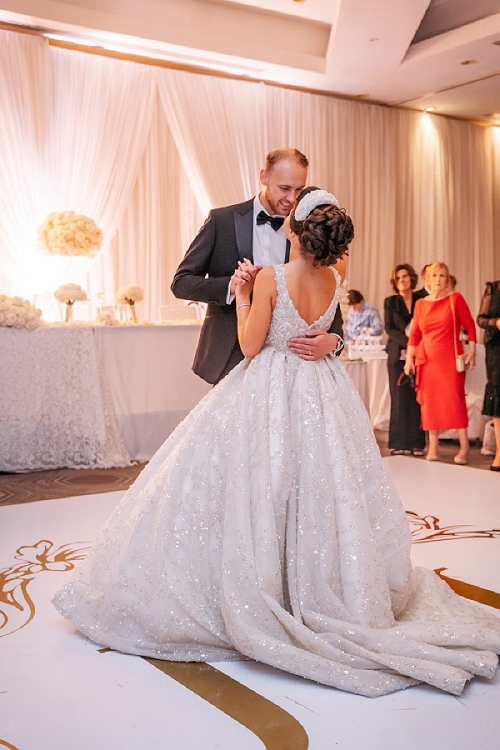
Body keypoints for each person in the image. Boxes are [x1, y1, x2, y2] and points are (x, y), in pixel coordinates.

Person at [53, 191, 500, 699]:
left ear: (294, 229)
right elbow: (331, 325)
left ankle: (267, 587)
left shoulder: (271, 278)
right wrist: (330, 340)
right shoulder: (337, 274)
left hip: (268, 384)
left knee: (257, 483)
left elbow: (249, 345)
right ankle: (314, 584)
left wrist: (244, 295)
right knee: (320, 489)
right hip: (322, 389)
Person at [171, 148, 344, 384]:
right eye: (284, 188)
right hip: (230, 354)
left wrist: (335, 339)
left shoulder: (306, 228)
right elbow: (181, 283)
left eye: (299, 190)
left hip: (289, 365)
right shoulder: (222, 220)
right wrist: (234, 286)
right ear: (264, 177)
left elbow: (325, 290)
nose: (292, 199)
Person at [404, 263, 476, 464]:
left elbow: (470, 325)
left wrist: (473, 351)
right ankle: (433, 446)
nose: (438, 279)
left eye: (442, 276)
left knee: (455, 400)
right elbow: (415, 334)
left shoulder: (455, 299)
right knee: (430, 404)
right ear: (427, 279)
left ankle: (464, 447)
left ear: (447, 279)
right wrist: (409, 359)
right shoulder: (420, 304)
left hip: (450, 360)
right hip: (427, 360)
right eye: (434, 275)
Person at [384, 264, 425, 456]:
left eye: (405, 277)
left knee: (416, 399)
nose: (402, 280)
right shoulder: (390, 301)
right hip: (397, 355)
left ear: (412, 279)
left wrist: (416, 347)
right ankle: (398, 443)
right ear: (395, 282)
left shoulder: (422, 300)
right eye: (398, 278)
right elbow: (390, 328)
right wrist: (410, 343)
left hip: (419, 355)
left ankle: (417, 443)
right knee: (399, 398)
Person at [477, 280, 500, 471]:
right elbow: (481, 319)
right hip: (497, 350)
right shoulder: (493, 288)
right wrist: (496, 322)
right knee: (498, 403)